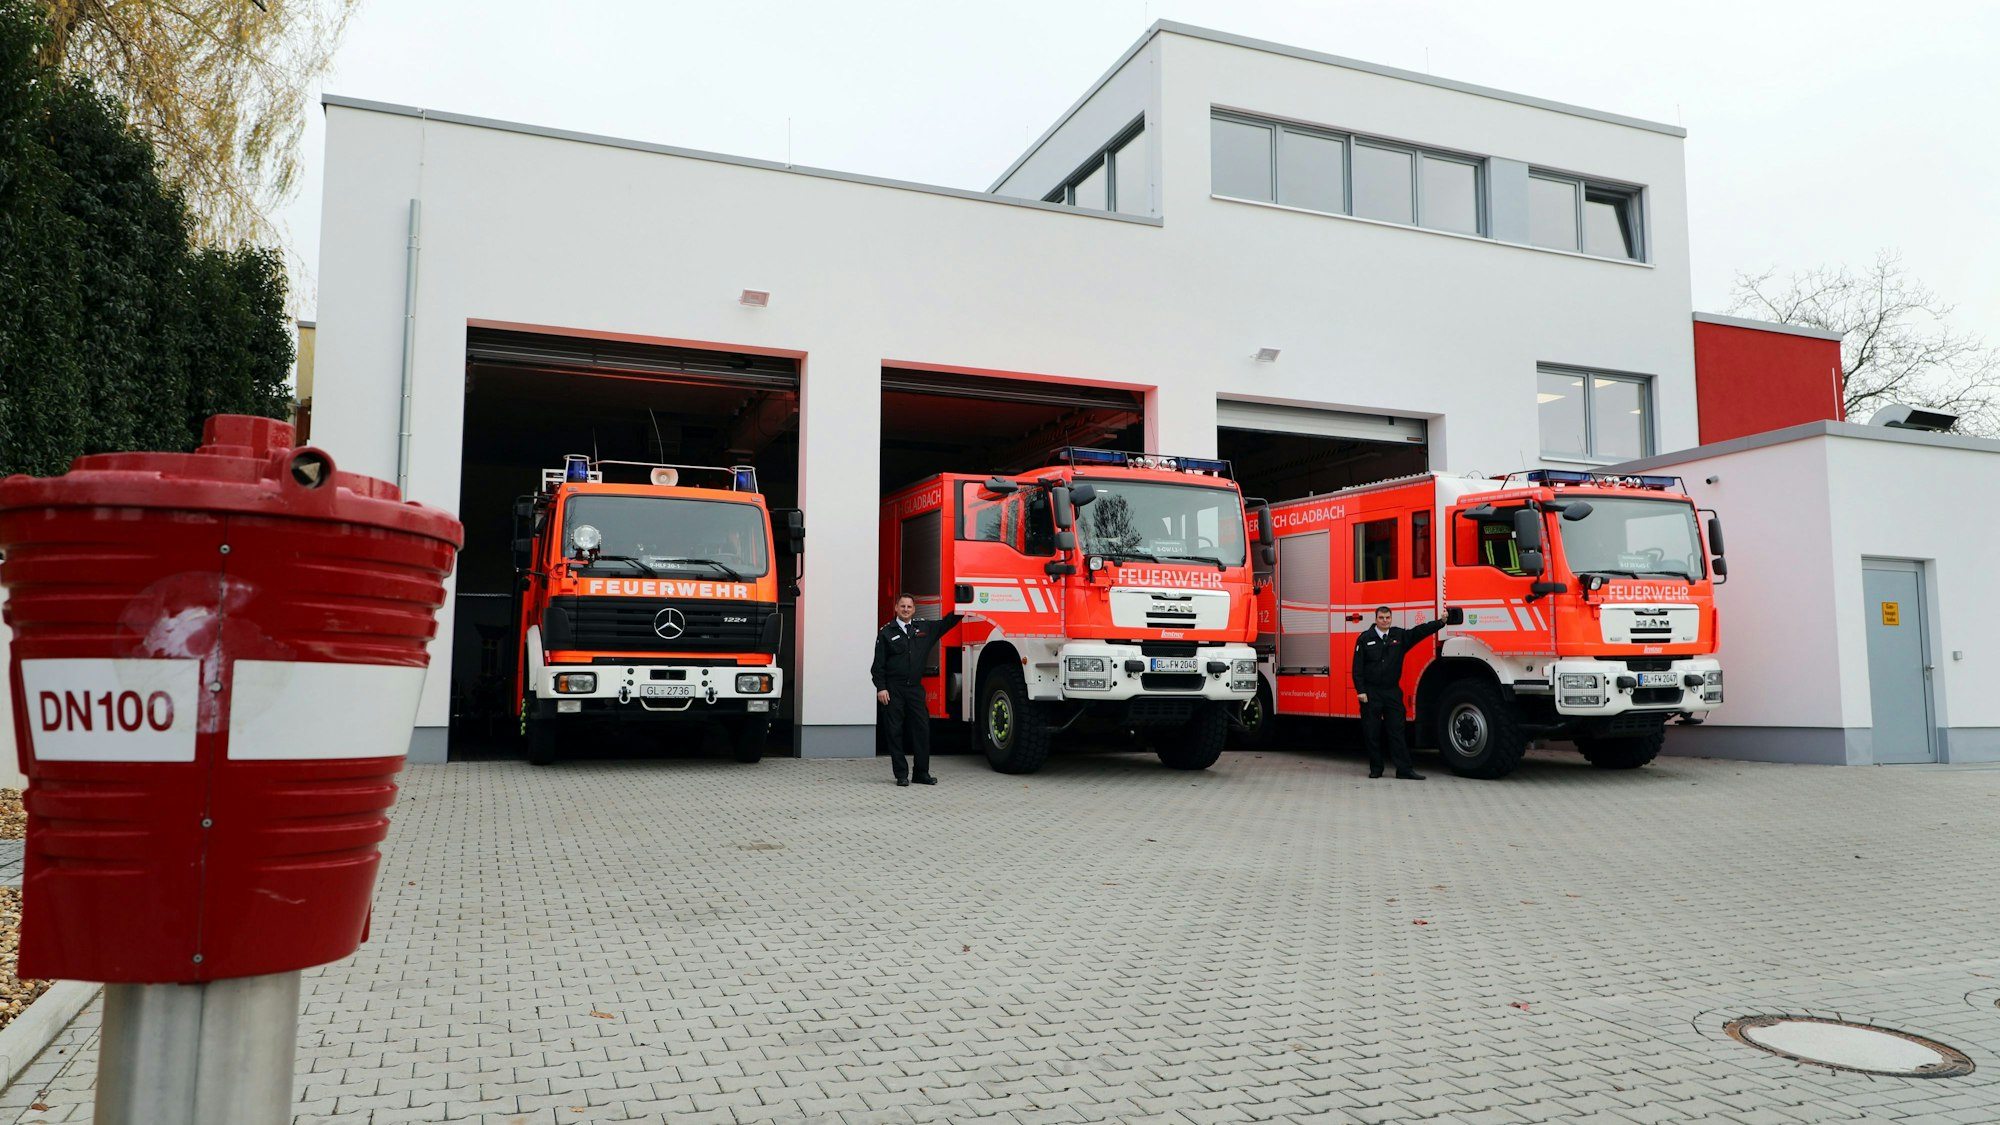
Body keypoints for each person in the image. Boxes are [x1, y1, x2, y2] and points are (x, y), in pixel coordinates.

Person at [1352, 605, 1461, 780]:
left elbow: (1420, 631)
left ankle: (1404, 770)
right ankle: (1376, 769)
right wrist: (1361, 691)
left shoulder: (1399, 636)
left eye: (1387, 618)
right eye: (1381, 618)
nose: (1385, 621)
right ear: (1376, 619)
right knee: (1372, 733)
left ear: (1391, 619)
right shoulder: (1365, 639)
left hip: (1392, 692)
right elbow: (1357, 668)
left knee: (1397, 731)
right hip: (1371, 693)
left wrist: (1440, 623)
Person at [871, 594, 962, 786]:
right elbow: (878, 666)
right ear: (896, 608)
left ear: (914, 609)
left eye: (909, 606)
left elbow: (946, 623)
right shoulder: (886, 633)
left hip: (915, 689)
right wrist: (881, 688)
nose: (906, 609)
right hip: (893, 689)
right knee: (894, 731)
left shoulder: (924, 628)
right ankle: (901, 774)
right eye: (902, 606)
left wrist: (963, 606)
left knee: (922, 729)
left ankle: (921, 773)